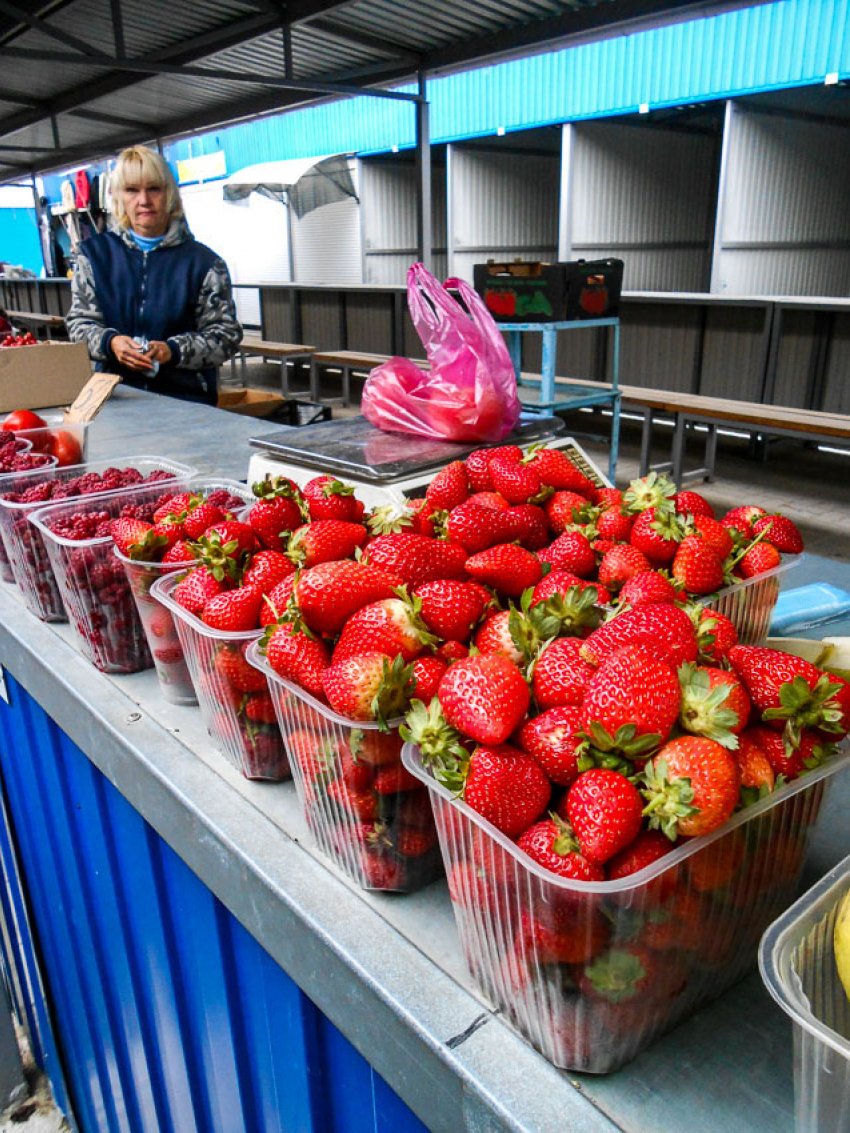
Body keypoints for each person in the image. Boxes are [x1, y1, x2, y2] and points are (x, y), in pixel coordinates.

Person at [67, 145, 242, 405]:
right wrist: (110, 343)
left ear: (169, 194)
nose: (144, 201)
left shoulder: (205, 264)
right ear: (118, 197)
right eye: (132, 190)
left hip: (186, 404)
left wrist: (172, 351)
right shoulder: (93, 257)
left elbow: (225, 336)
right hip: (113, 400)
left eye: (153, 189)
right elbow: (79, 325)